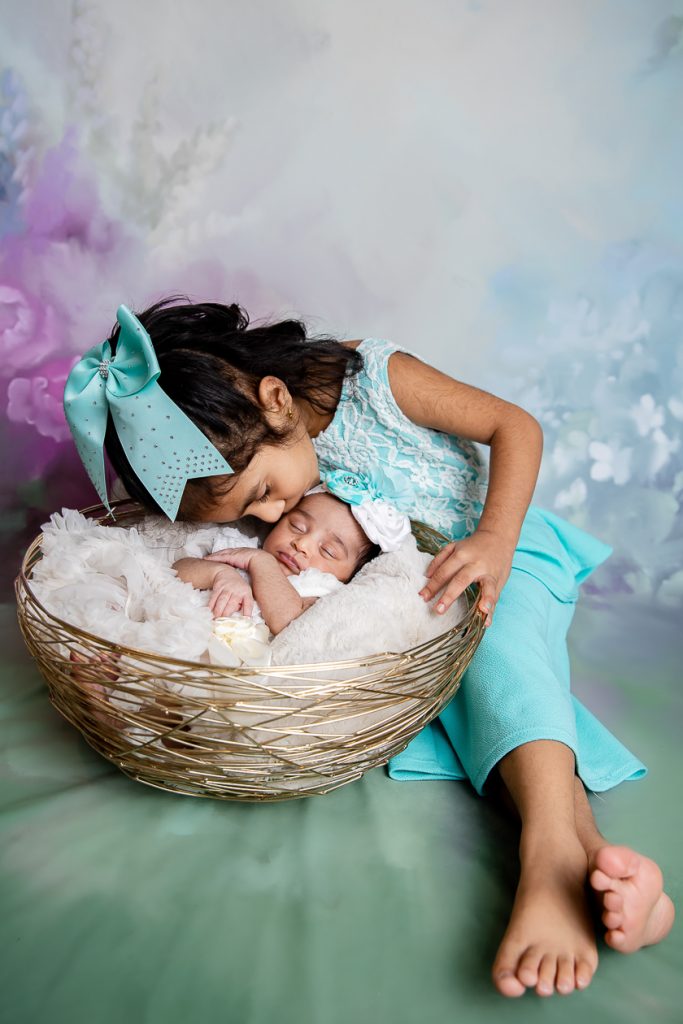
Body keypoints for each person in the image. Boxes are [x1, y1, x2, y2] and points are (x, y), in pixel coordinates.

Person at [64, 300, 674, 999]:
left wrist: (494, 540)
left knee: (494, 655)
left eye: (264, 493)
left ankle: (544, 862)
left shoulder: (371, 380)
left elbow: (516, 426)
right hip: (412, 600)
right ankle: (596, 870)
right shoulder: (267, 476)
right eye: (249, 514)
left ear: (275, 400)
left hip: (495, 552)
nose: (269, 518)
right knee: (459, 703)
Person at [173, 487, 388, 633]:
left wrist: (261, 562)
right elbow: (177, 569)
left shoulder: (321, 592)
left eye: (328, 551)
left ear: (349, 577)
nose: (302, 544)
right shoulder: (241, 548)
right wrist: (219, 573)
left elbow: (288, 622)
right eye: (297, 526)